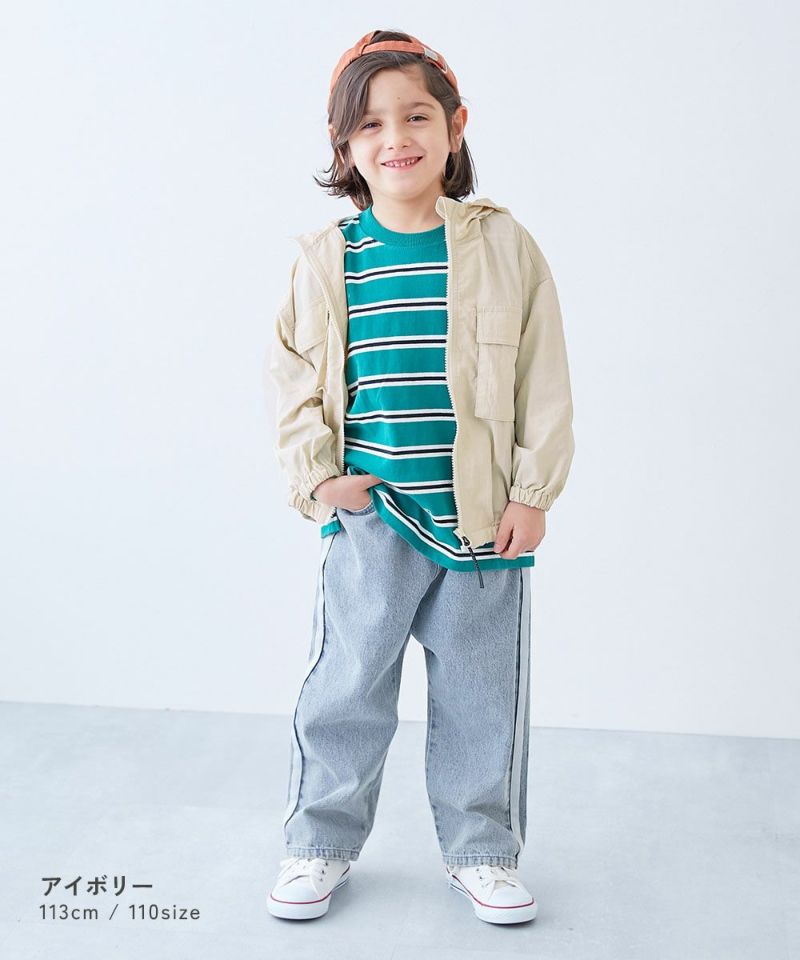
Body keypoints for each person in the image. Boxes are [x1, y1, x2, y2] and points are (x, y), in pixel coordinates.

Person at [265, 28, 575, 925]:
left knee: (482, 695)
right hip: (373, 513)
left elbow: (543, 376)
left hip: (482, 522)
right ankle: (319, 840)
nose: (394, 138)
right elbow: (291, 376)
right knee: (347, 687)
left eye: (415, 117)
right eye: (369, 124)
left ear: (454, 126)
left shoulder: (503, 246)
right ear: (344, 145)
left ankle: (482, 851)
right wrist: (321, 479)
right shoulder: (328, 257)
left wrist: (532, 494)